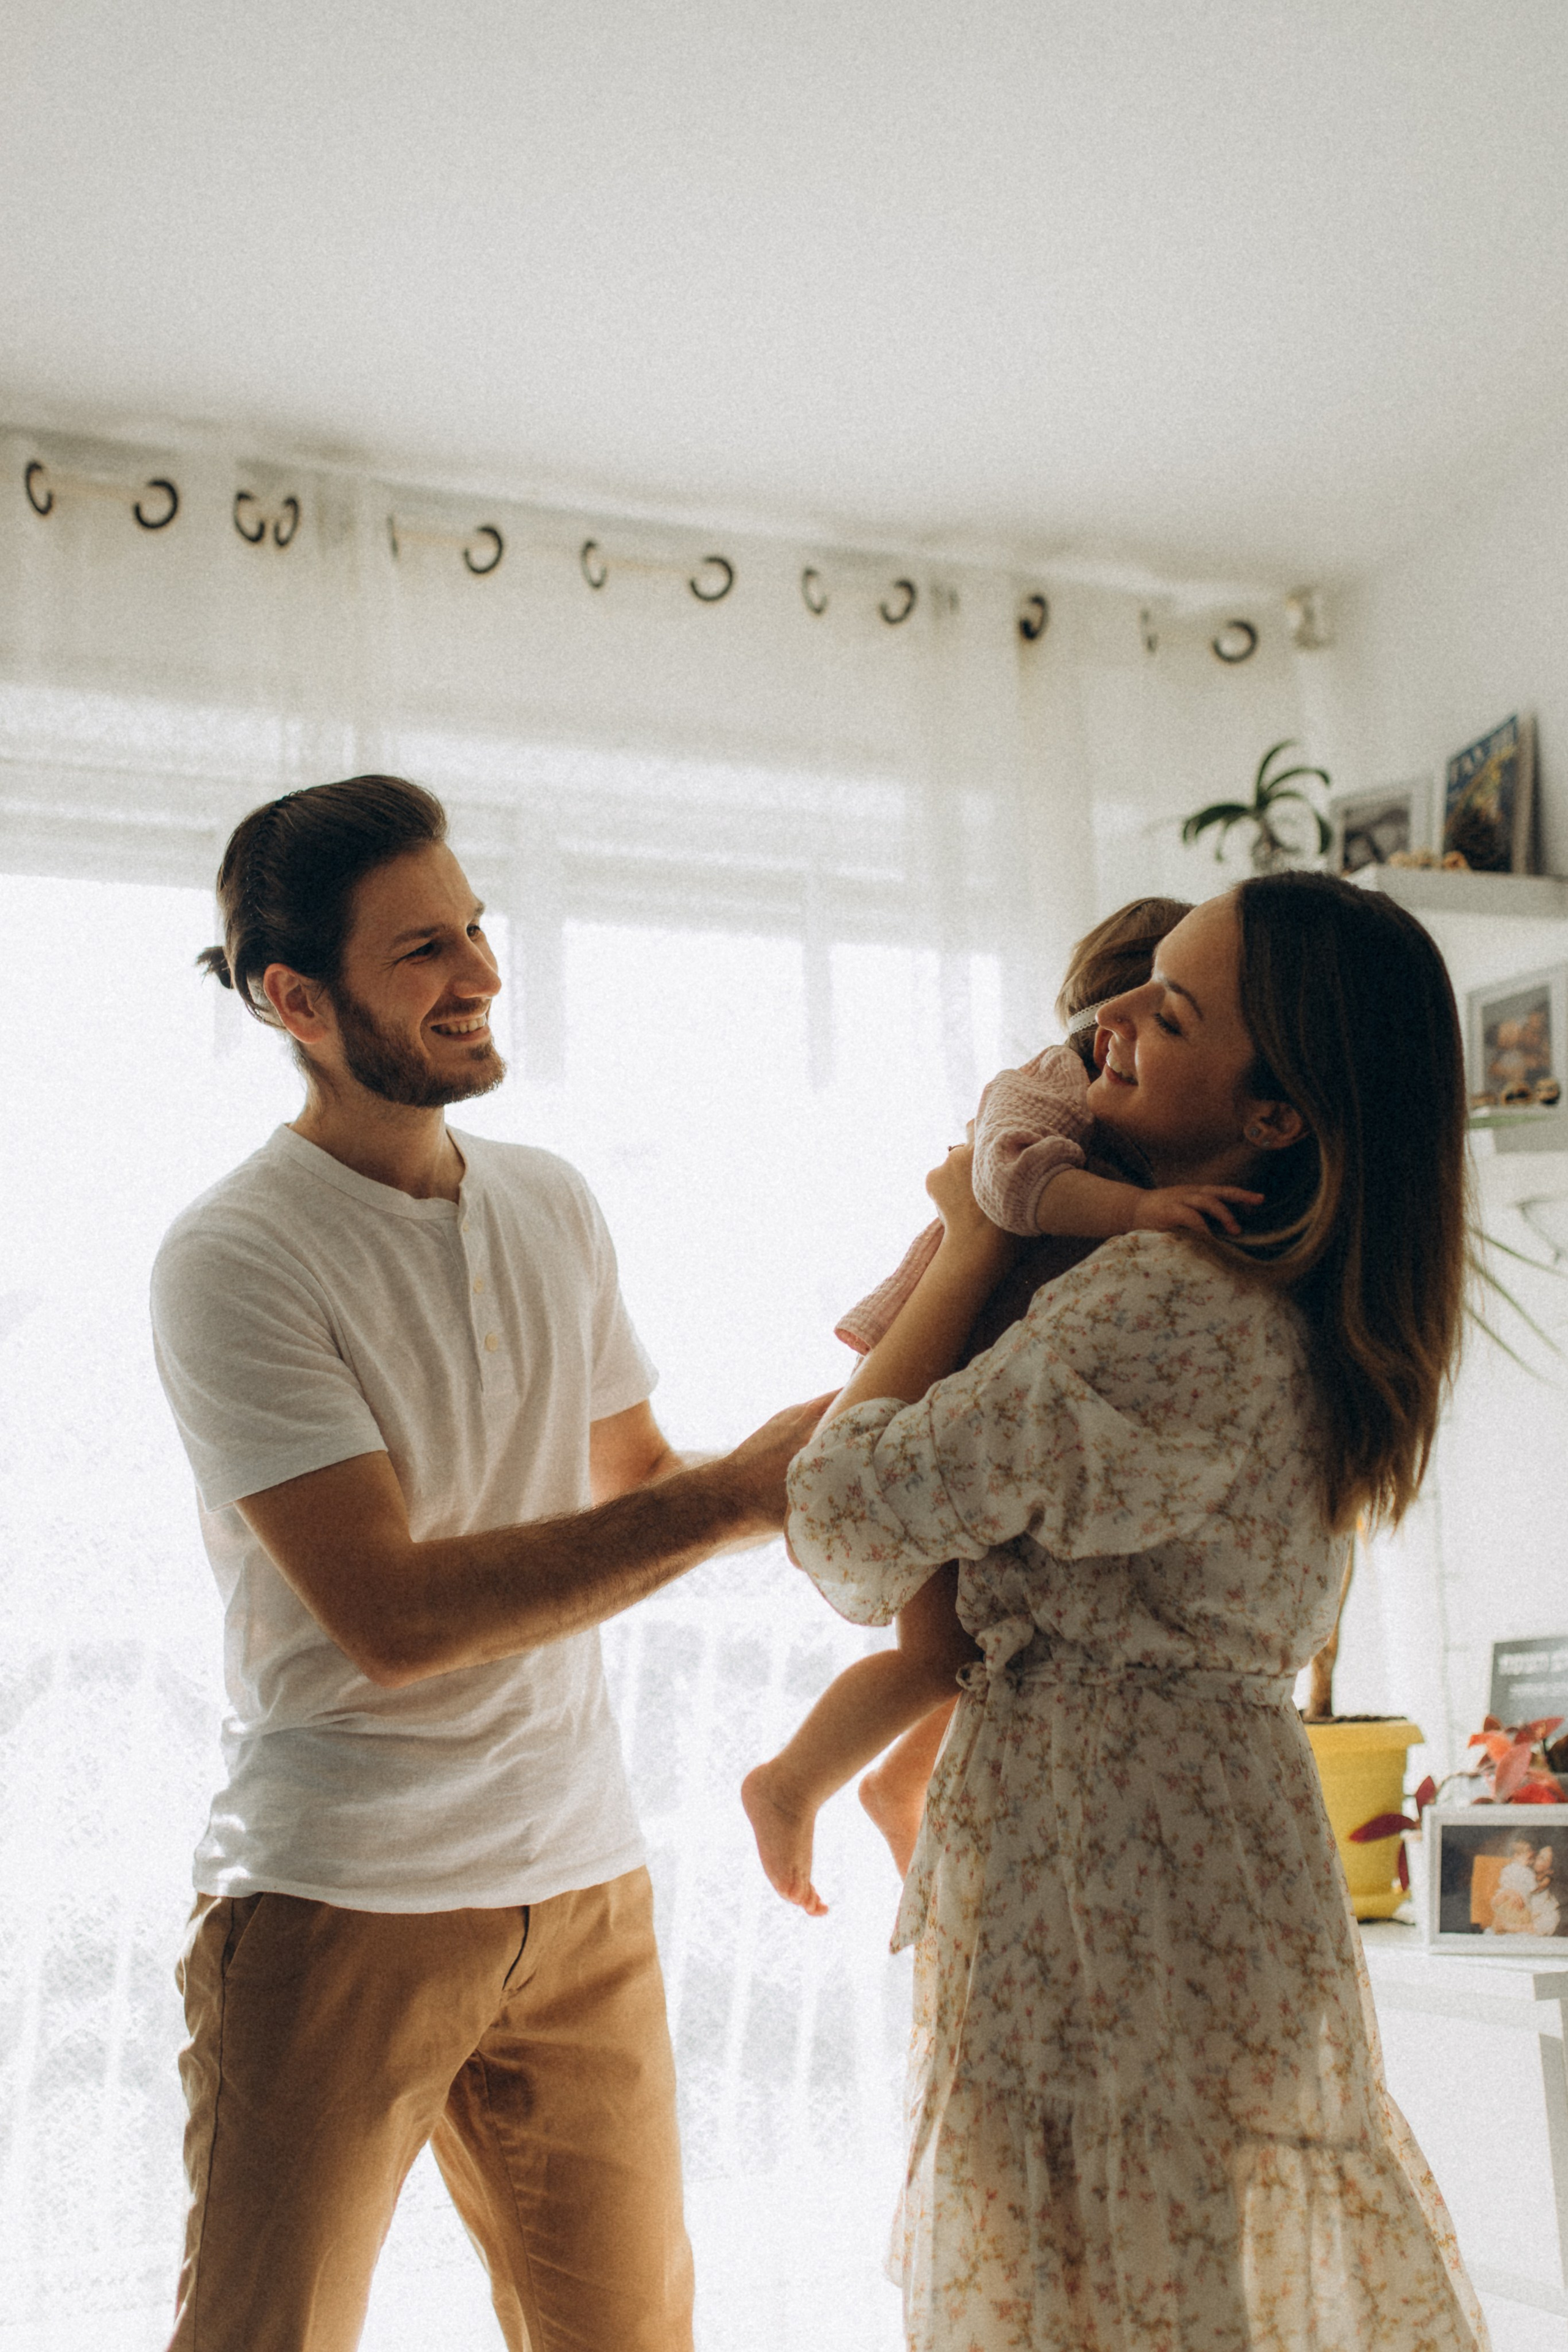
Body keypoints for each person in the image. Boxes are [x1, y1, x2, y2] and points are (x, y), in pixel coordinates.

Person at [149, 775, 825, 2352]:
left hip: (582, 1883)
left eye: (476, 930)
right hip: (340, 1898)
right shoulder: (234, 1255)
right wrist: (727, 1503)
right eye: (422, 953)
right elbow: (389, 1616)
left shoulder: (551, 1201)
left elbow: (642, 1483)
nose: (481, 977)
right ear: (291, 998)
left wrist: (875, 1433)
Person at [785, 873, 1488, 2351]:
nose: (1104, 1021)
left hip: (1095, 1860)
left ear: (1274, 1117)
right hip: (1220, 1853)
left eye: (1164, 1013)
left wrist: (974, 1235)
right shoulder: (1306, 1305)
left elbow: (843, 1511)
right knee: (1181, 2287)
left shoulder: (1164, 1302)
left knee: (1085, 2291)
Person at [743, 899, 1264, 1914]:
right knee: (938, 1652)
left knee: (986, 1642)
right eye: (1148, 1006)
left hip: (988, 1385)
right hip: (942, 1371)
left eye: (1175, 1015)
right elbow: (1009, 1186)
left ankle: (897, 1784)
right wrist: (1140, 1212)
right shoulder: (1046, 1091)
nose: (1133, 1021)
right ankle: (792, 1781)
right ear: (1104, 1012)